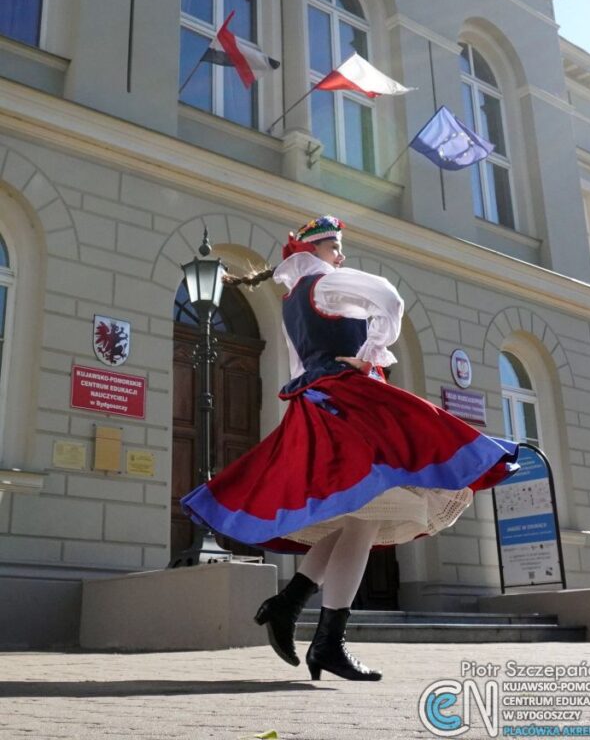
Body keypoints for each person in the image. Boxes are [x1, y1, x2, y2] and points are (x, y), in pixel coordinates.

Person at [181, 215, 518, 682]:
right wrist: (371, 351)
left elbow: (302, 362)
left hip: (318, 404)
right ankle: (324, 638)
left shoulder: (292, 300)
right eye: (335, 245)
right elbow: (390, 298)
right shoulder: (326, 282)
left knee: (359, 515)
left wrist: (365, 355)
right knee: (369, 507)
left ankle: (292, 608)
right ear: (315, 249)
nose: (341, 255)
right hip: (346, 403)